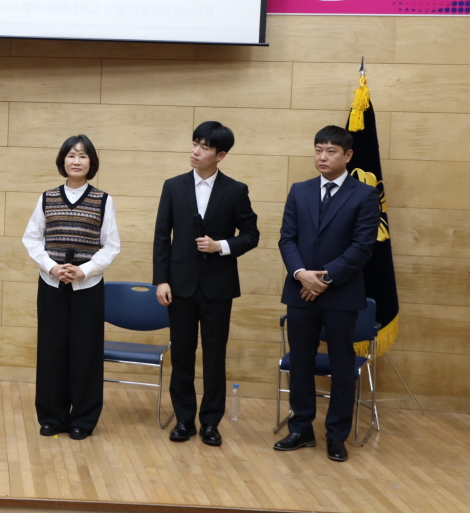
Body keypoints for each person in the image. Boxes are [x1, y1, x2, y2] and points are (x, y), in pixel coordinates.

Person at [275, 125, 378, 463]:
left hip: (341, 295)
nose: (322, 157)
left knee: (341, 365)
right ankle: (301, 428)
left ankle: (336, 435)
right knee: (301, 362)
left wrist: (325, 279)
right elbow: (287, 238)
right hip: (300, 290)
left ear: (348, 155)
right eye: (318, 149)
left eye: (331, 151)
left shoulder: (364, 195)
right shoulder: (300, 190)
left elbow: (362, 246)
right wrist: (301, 274)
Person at [153, 121, 259, 447]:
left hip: (218, 286)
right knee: (182, 355)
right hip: (180, 285)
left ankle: (211, 422)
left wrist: (220, 246)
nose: (195, 151)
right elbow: (162, 237)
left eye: (204, 147)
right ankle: (184, 419)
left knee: (215, 355)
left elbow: (251, 235)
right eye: (194, 143)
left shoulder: (235, 190)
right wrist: (161, 280)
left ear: (220, 155)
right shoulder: (173, 186)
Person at [22, 135, 120, 440]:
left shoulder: (103, 200)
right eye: (71, 155)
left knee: (85, 353)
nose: (76, 161)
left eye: (83, 156)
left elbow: (111, 245)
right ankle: (52, 417)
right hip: (51, 285)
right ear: (62, 160)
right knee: (51, 351)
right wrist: (52, 267)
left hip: (88, 288)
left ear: (91, 162)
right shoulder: (47, 198)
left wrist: (84, 270)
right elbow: (32, 238)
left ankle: (83, 419)